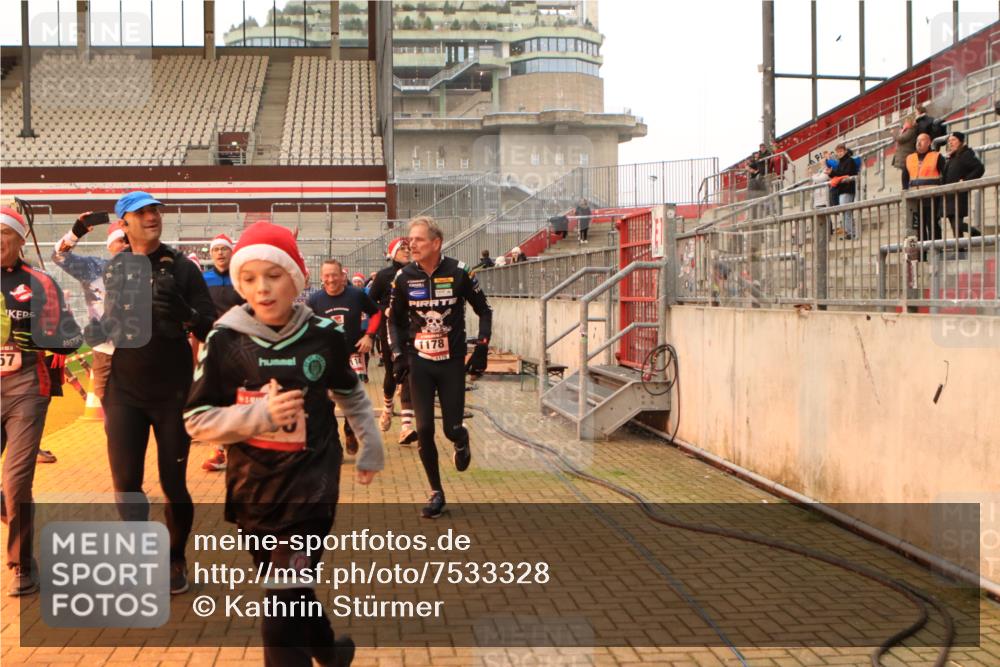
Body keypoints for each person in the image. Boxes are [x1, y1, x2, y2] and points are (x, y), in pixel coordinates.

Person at [185, 221, 381, 667]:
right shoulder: (223, 339)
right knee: (290, 589)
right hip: (254, 489)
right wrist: (260, 417)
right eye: (249, 278)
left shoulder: (324, 337)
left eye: (273, 276)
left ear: (297, 278)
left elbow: (350, 392)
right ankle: (330, 652)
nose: (262, 289)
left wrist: (370, 445)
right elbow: (196, 421)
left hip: (312, 488)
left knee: (280, 601)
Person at [86, 191, 216, 595]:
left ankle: (175, 559)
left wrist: (185, 313)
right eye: (141, 213)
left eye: (155, 211)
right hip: (124, 391)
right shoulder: (114, 269)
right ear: (124, 223)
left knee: (173, 483)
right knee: (126, 483)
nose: (152, 217)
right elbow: (106, 328)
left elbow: (209, 324)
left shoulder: (183, 268)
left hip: (172, 393)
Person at [1, 206, 83, 595]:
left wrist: (43, 338)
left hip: (26, 389)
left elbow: (70, 334)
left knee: (16, 481)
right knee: (11, 495)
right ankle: (12, 514)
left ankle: (21, 565)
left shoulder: (39, 282)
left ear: (19, 239)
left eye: (5, 233)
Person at [388, 216, 492, 519]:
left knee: (450, 427)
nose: (411, 244)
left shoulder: (459, 272)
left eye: (418, 239)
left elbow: (484, 309)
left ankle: (461, 439)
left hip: (451, 364)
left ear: (436, 243)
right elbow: (393, 320)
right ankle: (436, 491)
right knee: (423, 428)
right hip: (419, 363)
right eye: (410, 239)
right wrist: (398, 354)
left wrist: (482, 345)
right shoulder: (404, 277)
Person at [307, 260, 380, 455]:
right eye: (327, 276)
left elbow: (376, 313)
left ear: (342, 276)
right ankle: (333, 443)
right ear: (321, 278)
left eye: (334, 275)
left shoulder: (356, 295)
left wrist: (369, 336)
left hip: (353, 354)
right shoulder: (314, 300)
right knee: (325, 404)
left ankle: (349, 430)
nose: (331, 279)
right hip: (325, 358)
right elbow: (305, 326)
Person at [198, 233, 246, 472]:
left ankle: (241, 447)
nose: (220, 253)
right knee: (214, 396)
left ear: (231, 252)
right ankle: (218, 450)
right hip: (213, 344)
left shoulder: (241, 277)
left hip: (241, 344)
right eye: (216, 249)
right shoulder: (203, 279)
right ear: (211, 253)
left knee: (241, 395)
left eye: (224, 249)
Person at [366, 238, 417, 445]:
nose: (406, 251)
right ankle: (387, 409)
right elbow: (369, 300)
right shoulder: (384, 275)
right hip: (389, 329)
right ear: (393, 253)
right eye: (402, 249)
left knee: (409, 373)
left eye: (408, 248)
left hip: (413, 328)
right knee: (392, 372)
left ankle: (406, 428)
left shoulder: (416, 272)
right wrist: (383, 309)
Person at [941, 131, 985, 238]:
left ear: (961, 141)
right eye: (949, 141)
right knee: (954, 226)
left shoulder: (966, 154)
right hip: (949, 196)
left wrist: (966, 180)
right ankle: (960, 251)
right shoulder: (951, 157)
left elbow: (979, 168)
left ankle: (974, 232)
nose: (951, 143)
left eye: (954, 140)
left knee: (958, 225)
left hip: (959, 195)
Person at [904, 133, 946, 243]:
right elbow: (905, 177)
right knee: (918, 227)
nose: (919, 143)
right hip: (915, 199)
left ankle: (936, 251)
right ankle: (922, 253)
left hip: (932, 198)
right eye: (918, 140)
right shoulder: (909, 158)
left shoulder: (937, 156)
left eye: (922, 140)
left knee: (933, 225)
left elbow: (945, 174)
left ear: (929, 143)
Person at [829, 143, 859, 239]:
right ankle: (848, 232)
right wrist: (831, 173)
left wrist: (833, 173)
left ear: (845, 151)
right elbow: (838, 175)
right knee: (845, 212)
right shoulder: (840, 163)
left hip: (848, 189)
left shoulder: (850, 161)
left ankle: (850, 232)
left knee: (847, 212)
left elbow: (846, 173)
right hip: (842, 190)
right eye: (838, 152)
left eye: (841, 151)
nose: (839, 153)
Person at [893, 114, 918, 190]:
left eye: (906, 123)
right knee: (905, 172)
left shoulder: (911, 131)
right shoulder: (907, 131)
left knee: (906, 172)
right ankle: (905, 188)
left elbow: (901, 139)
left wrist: (893, 134)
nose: (905, 124)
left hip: (907, 154)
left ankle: (905, 188)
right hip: (905, 154)